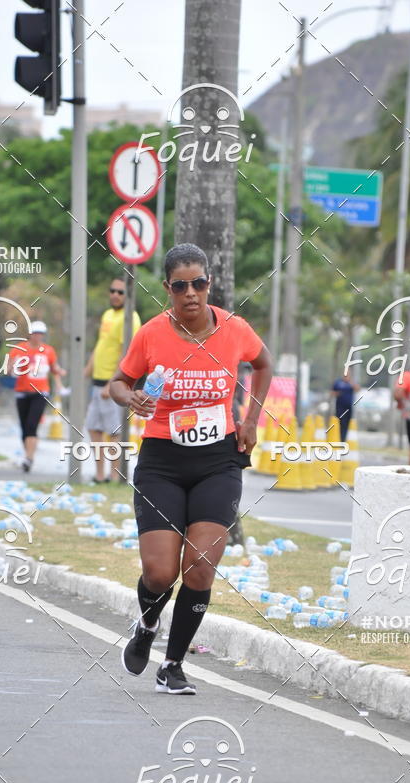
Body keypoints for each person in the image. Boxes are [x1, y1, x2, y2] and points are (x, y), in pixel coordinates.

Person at [109, 243, 272, 695]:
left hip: (219, 461)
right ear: (167, 288)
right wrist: (131, 397)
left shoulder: (235, 329)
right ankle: (147, 624)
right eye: (180, 286)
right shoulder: (151, 334)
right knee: (160, 573)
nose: (191, 293)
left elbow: (263, 363)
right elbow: (118, 382)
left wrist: (251, 421)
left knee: (199, 567)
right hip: (162, 461)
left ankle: (173, 665)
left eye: (198, 283)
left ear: (209, 283)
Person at [84, 277, 141, 483]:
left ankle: (115, 475)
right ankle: (100, 475)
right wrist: (87, 369)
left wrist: (112, 383)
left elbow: (126, 353)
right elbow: (101, 344)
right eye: (113, 291)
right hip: (97, 382)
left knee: (114, 431)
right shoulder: (108, 314)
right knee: (93, 427)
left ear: (128, 295)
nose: (115, 295)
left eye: (120, 292)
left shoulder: (130, 318)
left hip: (113, 384)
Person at [9, 321, 65, 472]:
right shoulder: (19, 349)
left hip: (40, 392)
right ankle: (28, 454)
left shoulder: (48, 351)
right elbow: (9, 369)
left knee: (32, 425)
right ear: (30, 334)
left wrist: (59, 384)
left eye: (41, 334)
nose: (38, 336)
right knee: (24, 427)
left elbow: (54, 369)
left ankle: (29, 458)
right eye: (35, 333)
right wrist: (13, 366)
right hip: (22, 392)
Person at [332, 370, 359, 442]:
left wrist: (351, 382)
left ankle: (343, 439)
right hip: (340, 407)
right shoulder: (338, 382)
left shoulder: (351, 382)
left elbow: (357, 389)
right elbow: (332, 392)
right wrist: (338, 393)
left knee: (347, 424)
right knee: (340, 422)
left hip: (348, 407)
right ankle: (338, 438)